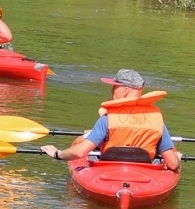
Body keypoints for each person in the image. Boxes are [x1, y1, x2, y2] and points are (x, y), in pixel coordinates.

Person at [41, 69, 182, 169]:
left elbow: (79, 152)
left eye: (114, 87)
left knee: (81, 141)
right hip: (143, 172)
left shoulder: (107, 119)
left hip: (107, 169)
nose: (111, 91)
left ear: (125, 90)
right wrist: (177, 158)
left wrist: (57, 154)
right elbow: (173, 164)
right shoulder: (157, 121)